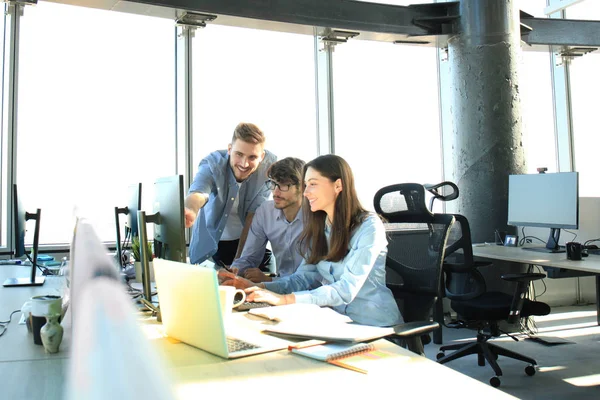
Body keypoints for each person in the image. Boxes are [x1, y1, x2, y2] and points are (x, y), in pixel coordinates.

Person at [220, 154, 402, 327]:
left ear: (338, 186)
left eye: (312, 184)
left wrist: (284, 300)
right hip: (339, 324)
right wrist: (257, 288)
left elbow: (345, 290)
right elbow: (302, 278)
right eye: (305, 185)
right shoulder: (321, 227)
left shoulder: (369, 227)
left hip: (375, 326)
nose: (305, 193)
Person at [185, 122, 277, 267]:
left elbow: (252, 217)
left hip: (249, 243)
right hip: (217, 245)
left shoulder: (268, 169)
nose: (244, 164)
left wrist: (239, 261)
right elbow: (199, 192)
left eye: (252, 157)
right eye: (239, 154)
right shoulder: (213, 164)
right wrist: (190, 209)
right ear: (229, 149)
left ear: (262, 156)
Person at [231, 157, 306, 283]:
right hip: (280, 288)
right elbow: (249, 258)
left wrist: (270, 281)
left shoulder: (317, 217)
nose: (275, 192)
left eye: (283, 185)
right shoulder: (265, 212)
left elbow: (311, 279)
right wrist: (234, 271)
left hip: (313, 293)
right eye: (273, 184)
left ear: (302, 187)